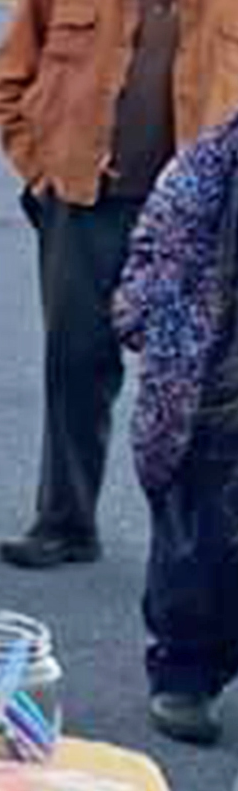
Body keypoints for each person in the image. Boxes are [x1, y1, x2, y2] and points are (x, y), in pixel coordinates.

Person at [0, 0, 238, 570]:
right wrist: (40, 165)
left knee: (203, 385)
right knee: (75, 363)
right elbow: (11, 74)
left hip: (205, 223)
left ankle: (196, 544)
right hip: (87, 201)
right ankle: (65, 521)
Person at [115, 109, 238, 745]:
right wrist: (148, 318)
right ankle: (184, 673)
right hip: (212, 383)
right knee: (199, 539)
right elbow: (157, 245)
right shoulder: (214, 158)